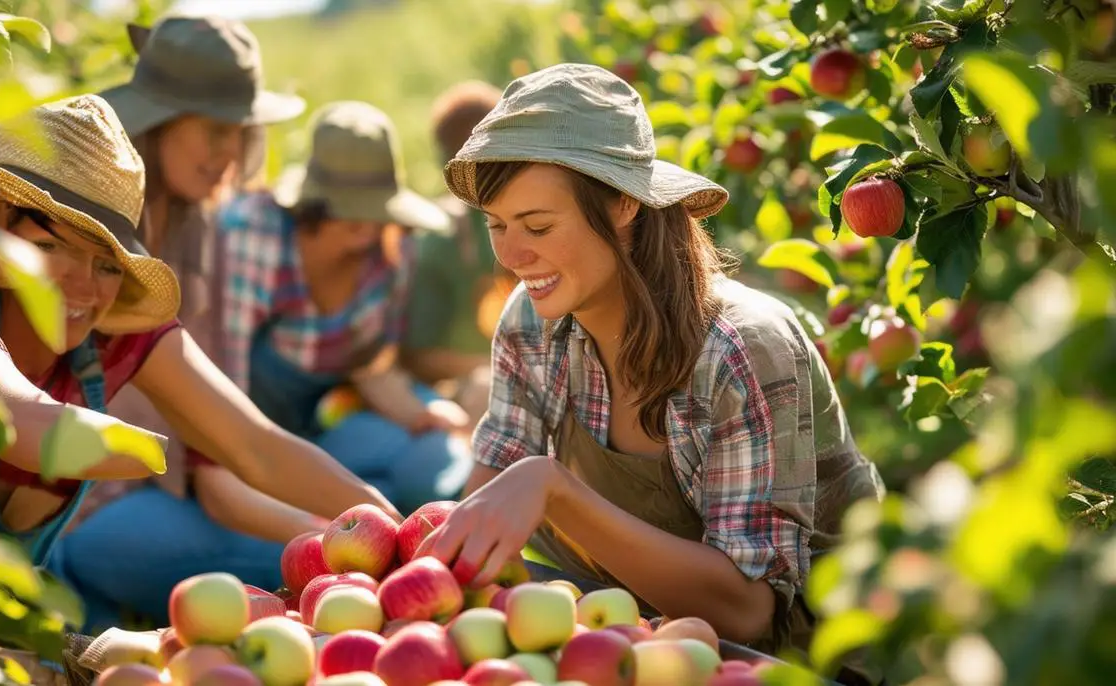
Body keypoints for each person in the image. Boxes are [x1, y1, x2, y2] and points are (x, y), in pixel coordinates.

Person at [415, 64, 885, 668]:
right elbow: (484, 505)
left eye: (537, 225)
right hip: (629, 639)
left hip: (800, 660)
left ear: (622, 206)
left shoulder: (741, 351)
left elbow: (749, 611)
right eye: (497, 226)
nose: (510, 255)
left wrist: (554, 491)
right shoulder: (533, 321)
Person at [0, 95, 398, 628]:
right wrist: (154, 447)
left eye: (106, 264)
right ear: (2, 220)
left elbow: (257, 445)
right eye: (55, 248)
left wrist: (395, 533)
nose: (84, 285)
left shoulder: (109, 330)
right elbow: (14, 417)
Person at [42, 17, 333, 632]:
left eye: (239, 132)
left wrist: (361, 528)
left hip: (167, 499)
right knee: (303, 569)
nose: (228, 151)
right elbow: (222, 465)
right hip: (86, 514)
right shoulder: (96, 235)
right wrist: (330, 542)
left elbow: (226, 449)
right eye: (212, 130)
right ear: (158, 123)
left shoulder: (206, 235)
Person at [215, 100, 474, 515]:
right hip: (252, 436)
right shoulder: (256, 239)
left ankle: (394, 528)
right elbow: (224, 380)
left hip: (330, 425)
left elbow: (370, 367)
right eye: (351, 216)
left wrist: (423, 413)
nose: (365, 230)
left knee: (434, 464)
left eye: (373, 214)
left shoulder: (393, 249)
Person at [401, 81, 513, 422]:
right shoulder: (442, 241)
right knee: (488, 389)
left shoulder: (533, 215)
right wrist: (499, 365)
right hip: (469, 389)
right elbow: (421, 357)